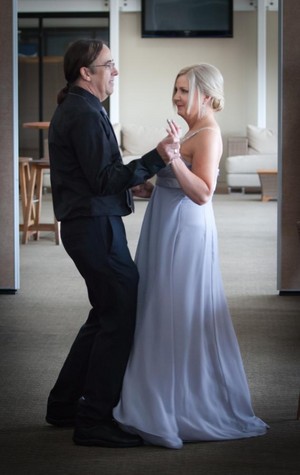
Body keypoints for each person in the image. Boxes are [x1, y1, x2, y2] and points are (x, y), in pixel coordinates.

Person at [113, 64, 269, 449]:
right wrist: (154, 176)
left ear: (206, 94)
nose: (177, 97)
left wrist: (173, 160)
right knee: (157, 304)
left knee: (174, 308)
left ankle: (176, 404)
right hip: (165, 225)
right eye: (176, 89)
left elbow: (202, 192)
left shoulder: (209, 134)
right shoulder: (191, 130)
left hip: (184, 231)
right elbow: (171, 180)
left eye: (184, 90)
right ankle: (160, 396)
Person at [45, 39, 178, 448]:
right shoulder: (82, 113)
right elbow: (104, 178)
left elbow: (98, 175)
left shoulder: (84, 108)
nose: (115, 71)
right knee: (119, 315)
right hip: (94, 229)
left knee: (105, 313)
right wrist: (156, 158)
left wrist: (135, 181)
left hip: (92, 224)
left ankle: (64, 405)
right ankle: (93, 420)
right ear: (87, 72)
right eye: (109, 65)